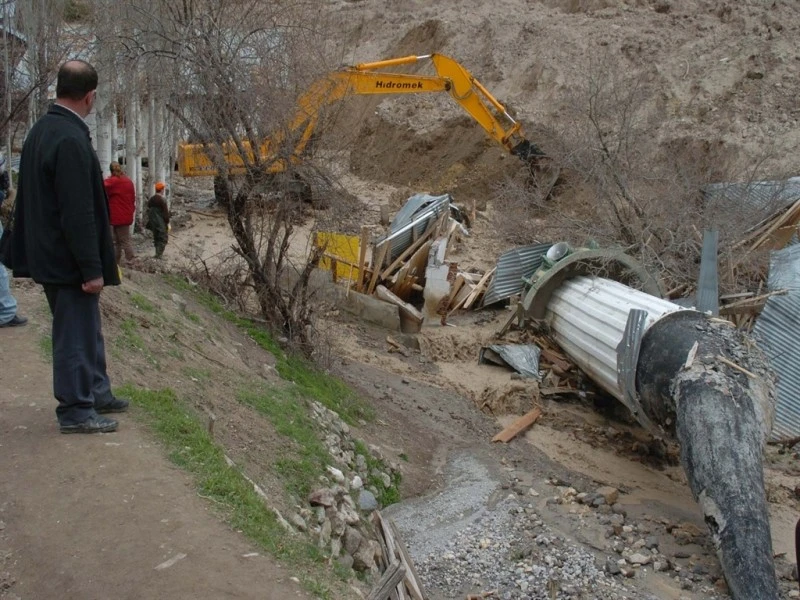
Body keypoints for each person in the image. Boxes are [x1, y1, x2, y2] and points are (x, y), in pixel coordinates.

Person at [12, 59, 128, 434]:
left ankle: (96, 392)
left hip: (49, 251)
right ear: (90, 96)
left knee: (86, 328)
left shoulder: (42, 129)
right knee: (74, 334)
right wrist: (92, 269)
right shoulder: (70, 139)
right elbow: (78, 213)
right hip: (67, 259)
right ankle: (77, 410)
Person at [103, 161, 136, 264]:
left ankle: (130, 260)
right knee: (120, 240)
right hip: (127, 214)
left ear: (111, 170)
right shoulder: (128, 181)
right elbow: (133, 198)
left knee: (122, 241)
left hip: (117, 215)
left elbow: (100, 185)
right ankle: (116, 261)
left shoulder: (113, 181)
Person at [145, 182, 170, 258]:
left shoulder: (151, 199)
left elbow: (148, 209)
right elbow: (165, 213)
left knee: (156, 237)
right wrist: (167, 222)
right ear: (162, 190)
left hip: (153, 222)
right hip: (161, 222)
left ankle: (157, 253)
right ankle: (159, 254)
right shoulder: (162, 200)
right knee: (163, 238)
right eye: (163, 189)